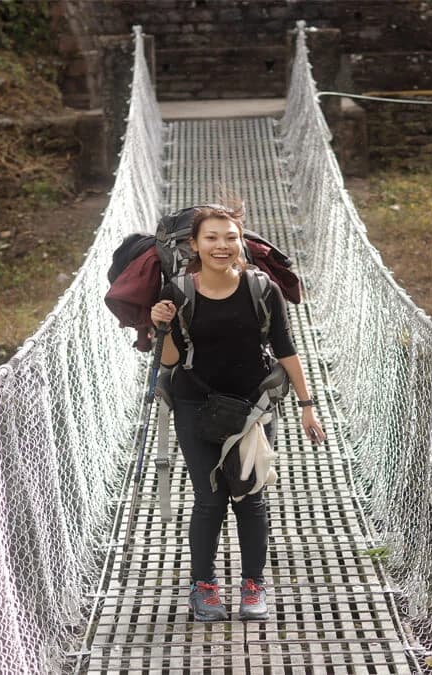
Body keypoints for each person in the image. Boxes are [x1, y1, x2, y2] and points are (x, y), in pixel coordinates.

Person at [149, 202, 325, 622]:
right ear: (194, 245)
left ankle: (252, 586)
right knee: (209, 500)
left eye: (230, 237)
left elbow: (285, 350)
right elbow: (170, 361)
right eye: (211, 238)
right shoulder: (177, 291)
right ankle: (203, 586)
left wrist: (307, 406)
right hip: (195, 405)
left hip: (254, 409)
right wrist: (163, 326)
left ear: (241, 242)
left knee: (250, 498)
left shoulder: (263, 290)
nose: (221, 245)